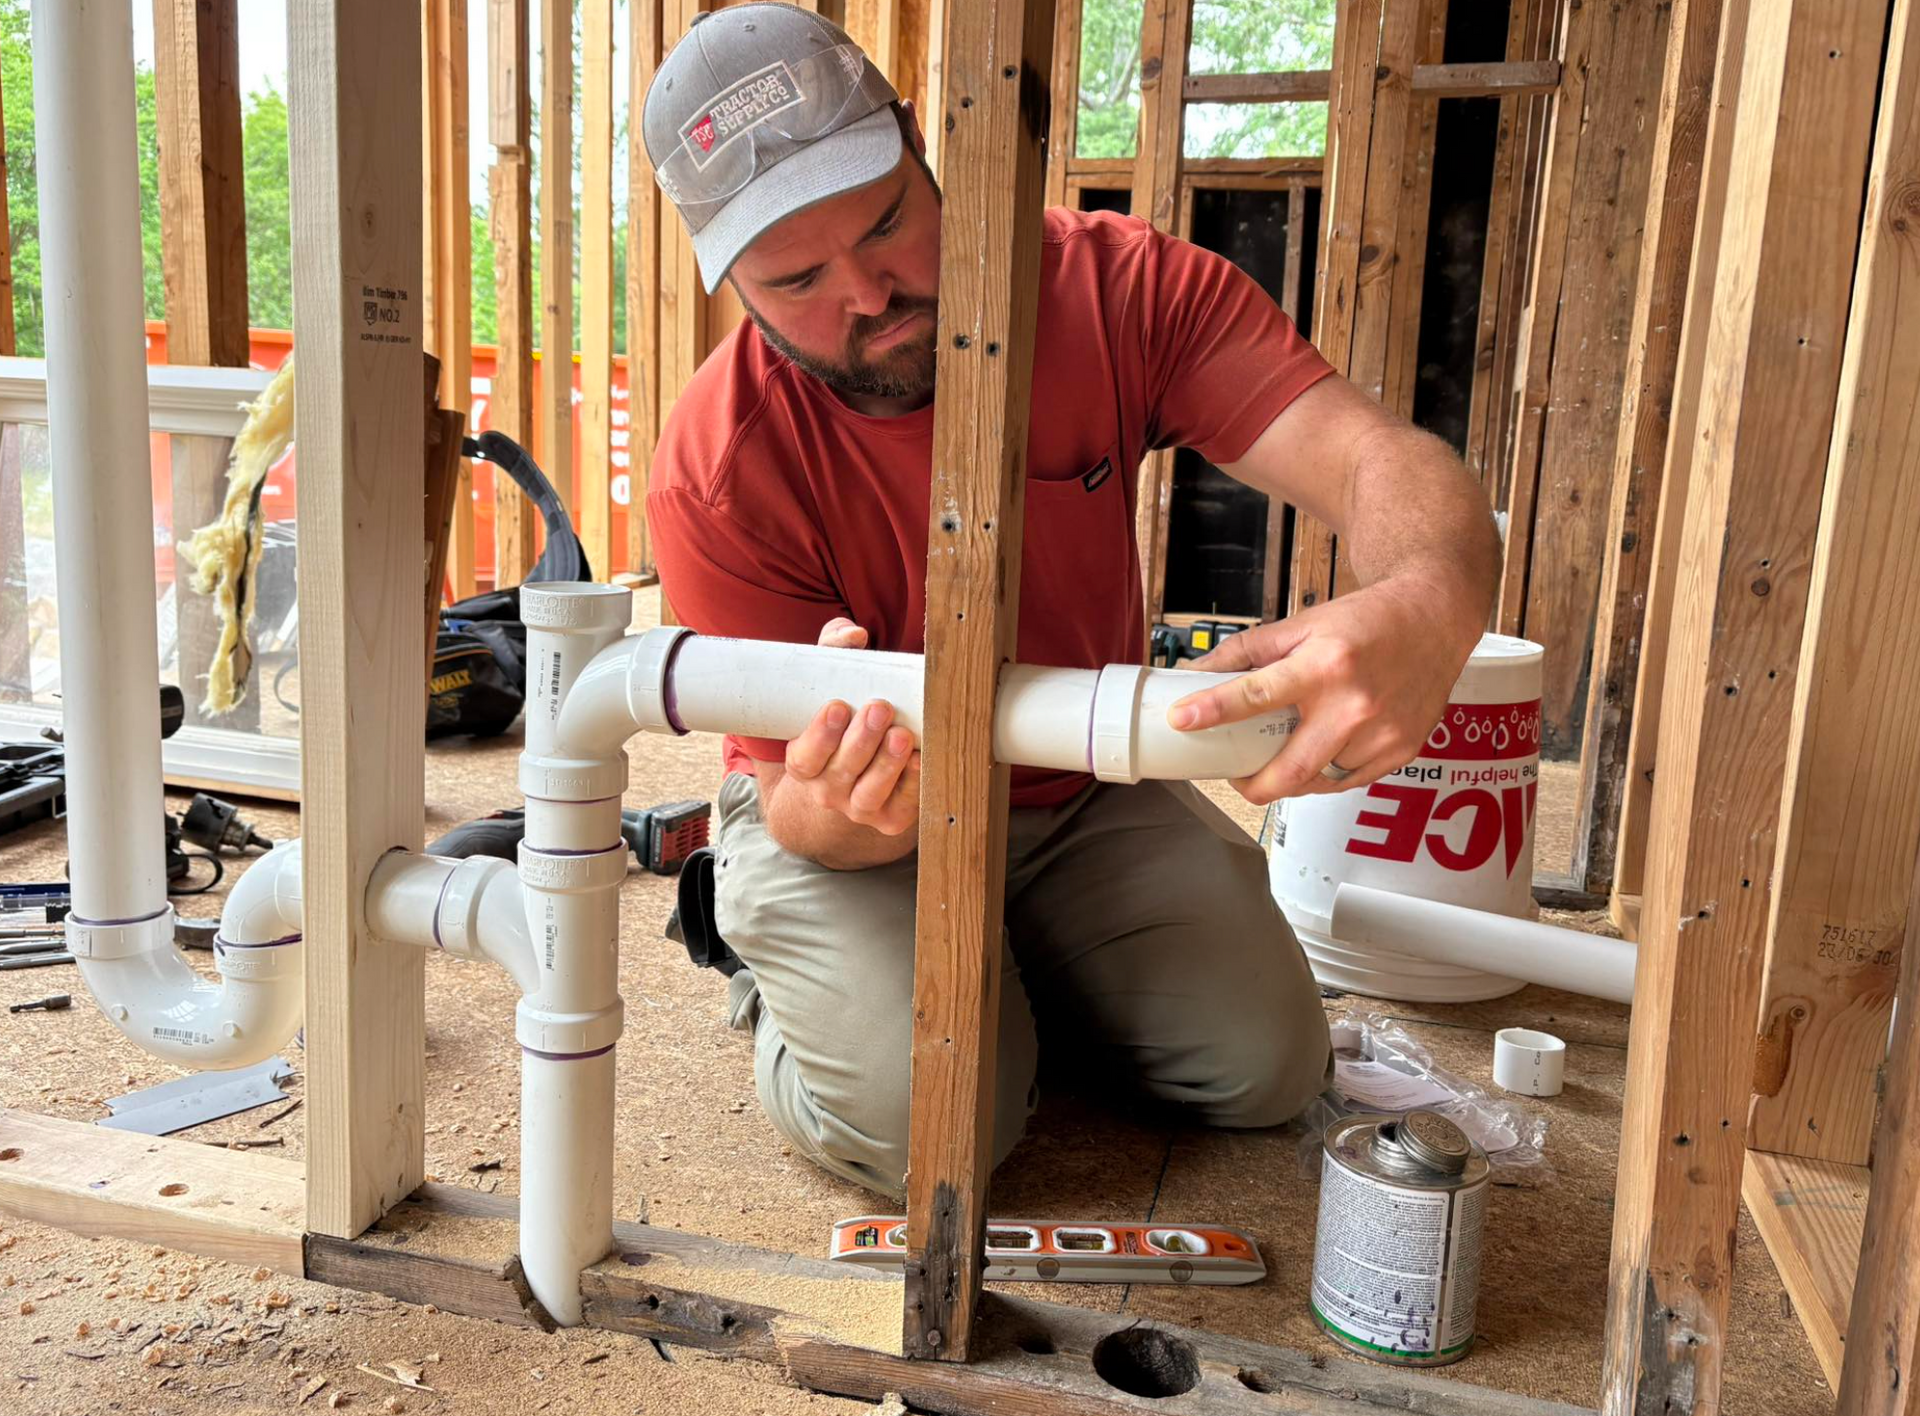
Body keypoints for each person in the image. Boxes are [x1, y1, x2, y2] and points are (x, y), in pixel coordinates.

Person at [640, 4, 1499, 1198]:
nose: (871, 292)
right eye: (797, 278)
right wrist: (848, 820)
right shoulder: (717, 462)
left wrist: (1432, 593)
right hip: (855, 838)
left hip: (1079, 796)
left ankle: (1014, 978)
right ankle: (763, 958)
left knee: (1267, 1068)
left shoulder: (1115, 289)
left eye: (888, 221)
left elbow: (1376, 460)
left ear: (920, 148)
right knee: (927, 1127)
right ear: (732, 283)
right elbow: (794, 798)